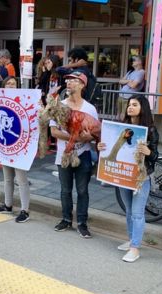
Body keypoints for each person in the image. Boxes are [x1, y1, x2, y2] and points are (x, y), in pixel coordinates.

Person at [97, 95, 159, 262]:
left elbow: (155, 157)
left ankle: (135, 248)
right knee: (129, 210)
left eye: (135, 105)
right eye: (129, 105)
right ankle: (132, 240)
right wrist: (101, 146)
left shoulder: (150, 130)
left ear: (142, 108)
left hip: (140, 177)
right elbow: (111, 146)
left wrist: (149, 153)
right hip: (124, 175)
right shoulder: (121, 127)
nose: (130, 107)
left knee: (138, 213)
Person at [50, 71, 100, 237]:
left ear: (82, 85)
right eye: (68, 80)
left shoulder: (90, 109)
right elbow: (54, 132)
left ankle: (82, 223)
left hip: (83, 154)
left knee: (82, 190)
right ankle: (65, 219)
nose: (69, 83)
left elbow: (96, 133)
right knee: (65, 190)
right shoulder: (60, 105)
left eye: (74, 80)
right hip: (63, 154)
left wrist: (89, 137)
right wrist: (76, 136)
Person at [0, 77, 31, 223]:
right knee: (7, 178)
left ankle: (25, 210)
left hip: (19, 147)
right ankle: (8, 205)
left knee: (21, 180)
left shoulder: (25, 99)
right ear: (4, 85)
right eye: (8, 83)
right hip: (5, 146)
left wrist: (39, 105)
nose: (10, 85)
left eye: (13, 83)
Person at [117, 55, 145, 120]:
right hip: (121, 95)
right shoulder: (130, 72)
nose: (132, 61)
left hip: (128, 97)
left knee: (124, 115)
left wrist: (126, 82)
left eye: (134, 60)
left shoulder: (141, 72)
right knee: (119, 114)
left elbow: (133, 85)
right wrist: (129, 81)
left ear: (139, 62)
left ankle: (122, 126)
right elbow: (120, 81)